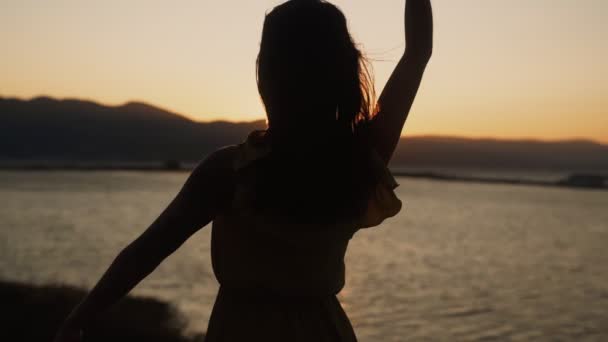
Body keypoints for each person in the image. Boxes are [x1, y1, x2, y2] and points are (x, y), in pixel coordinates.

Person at [54, 0, 432, 341]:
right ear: (344, 71)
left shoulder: (231, 170)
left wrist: (80, 317)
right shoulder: (359, 160)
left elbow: (146, 252)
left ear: (266, 75)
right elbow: (417, 53)